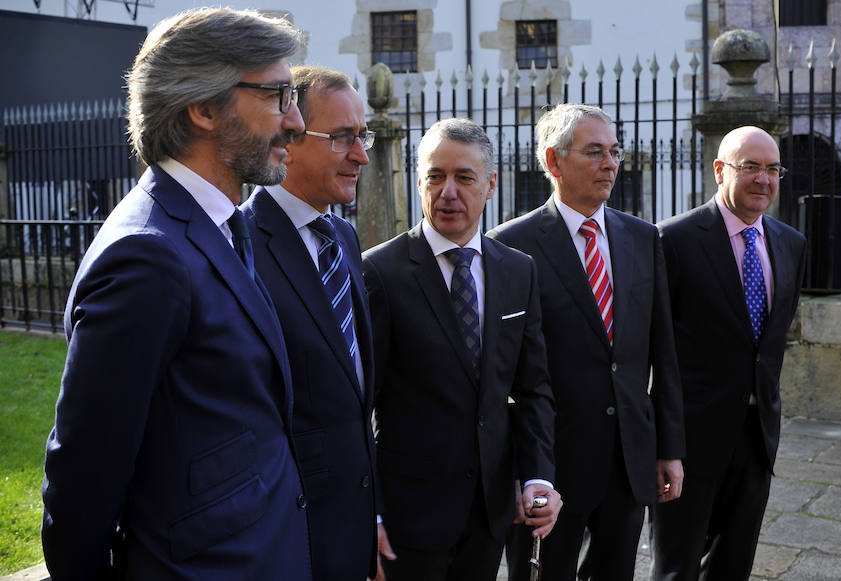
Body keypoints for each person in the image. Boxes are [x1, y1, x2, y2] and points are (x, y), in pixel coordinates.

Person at [41, 8, 313, 580]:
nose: (295, 120)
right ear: (204, 108)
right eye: (278, 96)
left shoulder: (218, 223)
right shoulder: (149, 253)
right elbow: (84, 474)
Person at [487, 103, 685, 581]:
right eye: (595, 152)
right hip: (550, 462)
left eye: (615, 152)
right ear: (554, 162)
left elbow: (663, 352)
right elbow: (501, 371)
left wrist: (669, 447)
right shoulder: (509, 246)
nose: (611, 164)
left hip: (628, 458)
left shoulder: (643, 237)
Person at [361, 118, 561, 581]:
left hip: (490, 514)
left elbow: (533, 388)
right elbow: (359, 403)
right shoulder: (380, 272)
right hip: (409, 518)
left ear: (490, 185)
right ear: (418, 182)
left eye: (464, 177)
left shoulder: (518, 271)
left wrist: (538, 478)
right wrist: (369, 512)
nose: (447, 191)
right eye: (435, 176)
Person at [240, 65, 379, 581]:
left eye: (361, 137)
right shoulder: (241, 244)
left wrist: (373, 512)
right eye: (343, 138)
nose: (361, 155)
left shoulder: (341, 238)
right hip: (287, 533)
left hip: (352, 520)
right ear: (290, 137)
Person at [650, 126, 806, 580]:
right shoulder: (672, 239)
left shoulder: (790, 243)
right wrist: (666, 444)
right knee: (677, 568)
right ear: (720, 170)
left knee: (734, 565)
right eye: (750, 166)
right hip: (691, 440)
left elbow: (768, 346)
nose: (763, 179)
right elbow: (657, 351)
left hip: (756, 438)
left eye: (773, 169)